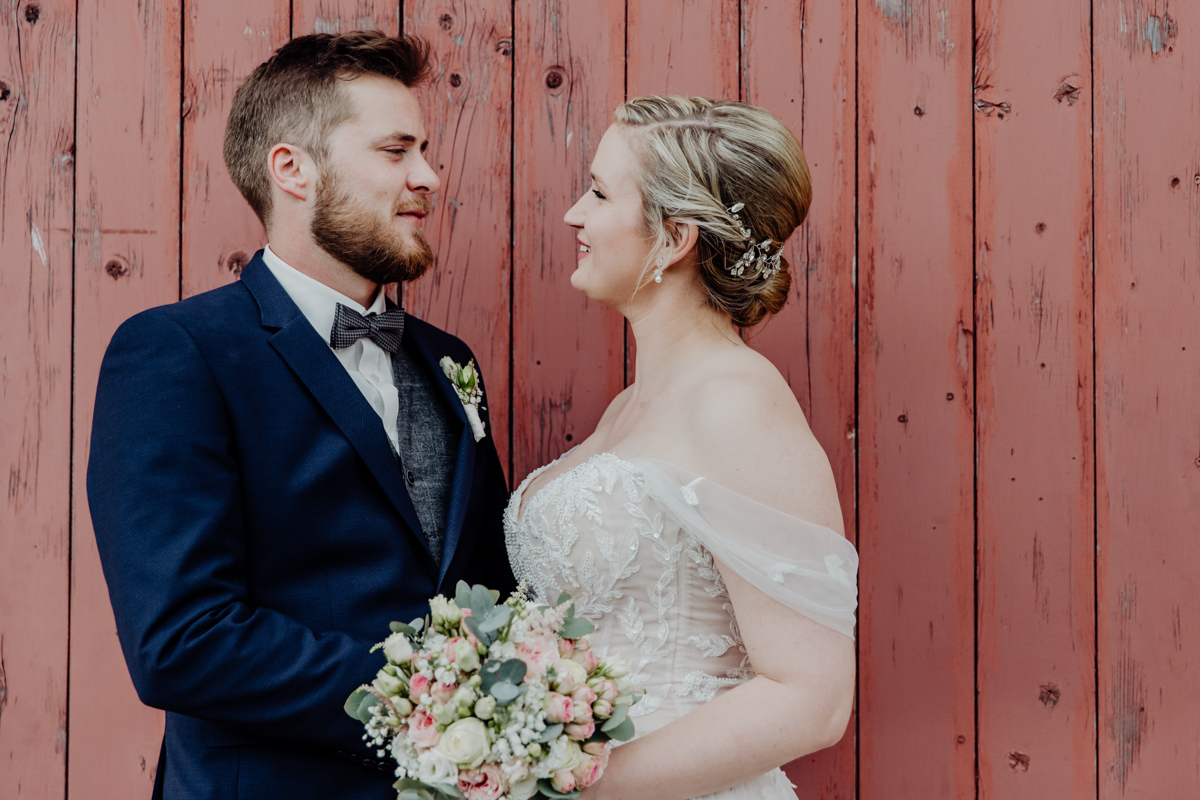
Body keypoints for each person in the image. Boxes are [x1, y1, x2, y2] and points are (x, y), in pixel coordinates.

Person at [87, 32, 514, 800]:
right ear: (293, 168)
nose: (429, 176)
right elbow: (182, 641)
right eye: (395, 150)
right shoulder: (177, 353)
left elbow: (489, 583)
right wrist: (435, 697)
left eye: (425, 150)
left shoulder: (449, 359)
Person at [504, 96, 858, 799]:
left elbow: (813, 698)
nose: (575, 214)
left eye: (601, 193)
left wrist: (582, 788)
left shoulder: (736, 403)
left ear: (674, 238)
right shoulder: (630, 406)